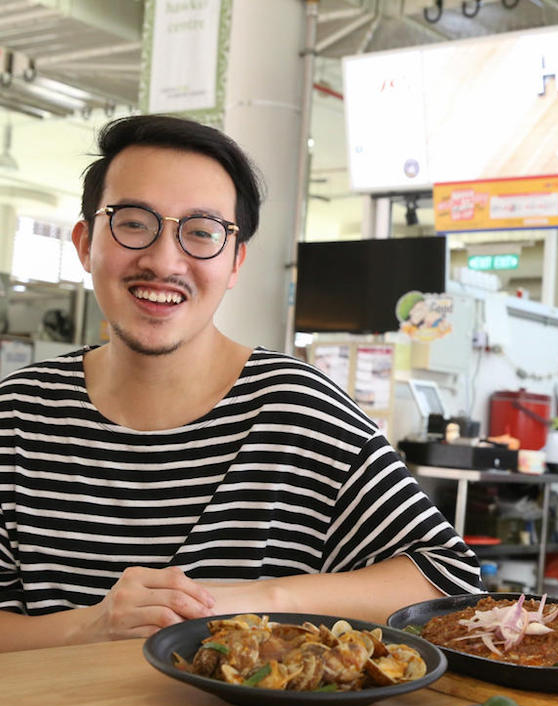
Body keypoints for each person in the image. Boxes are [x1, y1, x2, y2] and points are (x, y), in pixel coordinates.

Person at [0, 114, 482, 652]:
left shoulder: (298, 411)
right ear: (86, 243)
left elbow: (448, 581)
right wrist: (91, 625)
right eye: (134, 222)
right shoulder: (18, 415)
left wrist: (252, 601)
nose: (163, 260)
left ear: (235, 262)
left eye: (202, 233)